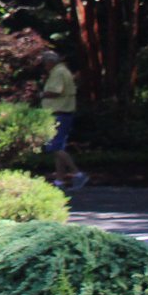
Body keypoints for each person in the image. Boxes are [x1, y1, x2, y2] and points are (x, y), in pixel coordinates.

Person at [39, 49, 88, 191]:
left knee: (53, 146)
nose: (44, 67)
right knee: (58, 148)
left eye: (44, 64)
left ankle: (78, 174)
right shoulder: (62, 71)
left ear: (50, 62)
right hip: (63, 112)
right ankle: (59, 181)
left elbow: (55, 91)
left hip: (59, 113)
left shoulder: (58, 72)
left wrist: (42, 94)